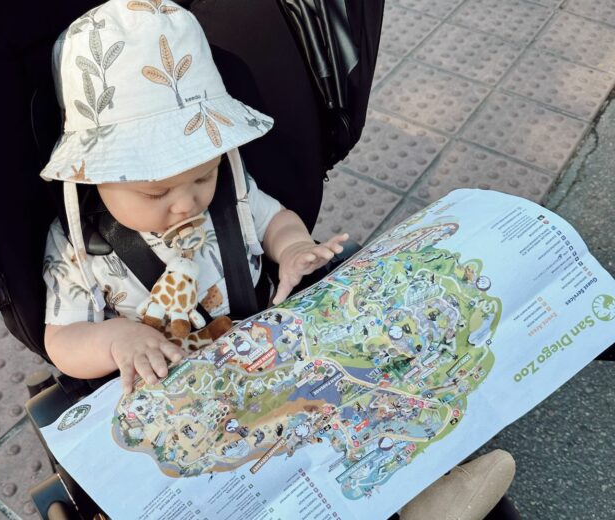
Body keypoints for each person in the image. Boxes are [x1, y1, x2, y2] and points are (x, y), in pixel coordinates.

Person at [40, 1, 515, 518]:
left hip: (271, 352)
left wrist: (292, 250)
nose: (186, 201)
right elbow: (62, 340)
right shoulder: (78, 247)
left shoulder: (232, 190)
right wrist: (116, 340)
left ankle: (426, 495)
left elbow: (275, 220)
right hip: (180, 400)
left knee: (358, 402)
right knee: (228, 480)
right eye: (155, 193)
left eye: (203, 176)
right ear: (90, 174)